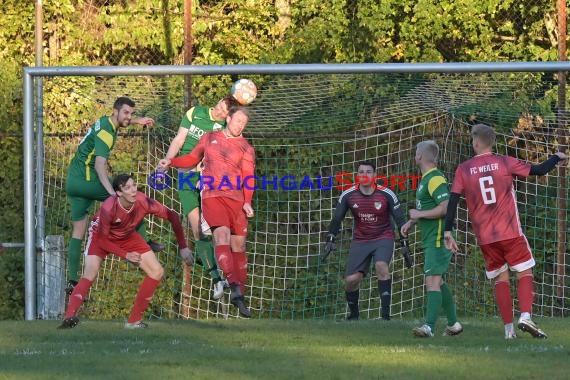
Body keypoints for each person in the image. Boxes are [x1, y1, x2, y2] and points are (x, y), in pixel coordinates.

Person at [444, 124, 567, 339]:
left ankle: (509, 331)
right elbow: (539, 170)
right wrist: (556, 157)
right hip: (510, 232)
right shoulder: (505, 162)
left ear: (475, 143)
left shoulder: (463, 169)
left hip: (485, 238)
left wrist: (447, 230)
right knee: (525, 272)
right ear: (492, 142)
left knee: (501, 278)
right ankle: (526, 315)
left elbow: (453, 200)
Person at [58, 174, 193, 329]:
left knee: (157, 272)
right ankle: (69, 318)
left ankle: (133, 322)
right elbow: (103, 240)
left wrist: (183, 247)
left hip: (127, 235)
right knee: (90, 273)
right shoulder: (109, 208)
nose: (133, 190)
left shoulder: (143, 201)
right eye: (127, 188)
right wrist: (126, 255)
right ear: (119, 193)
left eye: (134, 185)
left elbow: (173, 216)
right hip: (100, 236)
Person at [158, 106, 255, 318]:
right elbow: (192, 158)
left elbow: (249, 177)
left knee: (239, 245)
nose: (240, 125)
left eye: (243, 123)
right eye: (237, 120)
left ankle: (240, 295)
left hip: (236, 200)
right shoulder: (210, 136)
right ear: (228, 119)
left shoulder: (246, 147)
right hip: (213, 196)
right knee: (221, 236)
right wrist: (171, 161)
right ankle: (234, 288)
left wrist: (247, 201)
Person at [65, 97, 164, 295]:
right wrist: (113, 195)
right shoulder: (107, 134)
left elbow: (120, 123)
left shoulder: (104, 121)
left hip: (72, 182)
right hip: (88, 180)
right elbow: (100, 165)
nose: (129, 116)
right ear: (115, 111)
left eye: (131, 113)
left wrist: (138, 120)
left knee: (78, 231)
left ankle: (72, 280)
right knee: (129, 196)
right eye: (126, 113)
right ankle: (145, 242)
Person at [320, 161, 409, 321]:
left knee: (381, 266)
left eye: (368, 172)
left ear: (374, 175)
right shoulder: (348, 194)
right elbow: (337, 218)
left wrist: (404, 242)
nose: (364, 175)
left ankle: (386, 317)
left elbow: (400, 219)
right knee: (351, 281)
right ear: (357, 176)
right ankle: (354, 315)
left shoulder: (386, 193)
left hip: (383, 236)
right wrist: (330, 238)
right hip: (361, 240)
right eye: (361, 172)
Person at [401, 140, 463, 338]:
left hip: (438, 238)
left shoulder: (435, 178)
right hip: (430, 238)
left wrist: (417, 215)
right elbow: (428, 208)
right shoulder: (427, 179)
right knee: (438, 281)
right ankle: (453, 325)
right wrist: (411, 222)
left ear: (419, 157)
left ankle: (428, 327)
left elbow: (445, 208)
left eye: (415, 152)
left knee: (432, 282)